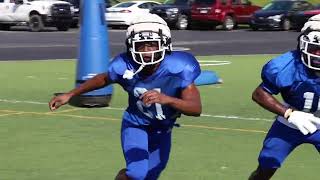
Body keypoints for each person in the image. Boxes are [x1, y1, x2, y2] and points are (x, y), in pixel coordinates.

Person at [49, 14, 202, 180]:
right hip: (136, 124)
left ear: (165, 44)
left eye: (152, 45)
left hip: (163, 129)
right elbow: (103, 78)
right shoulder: (124, 65)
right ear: (131, 46)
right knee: (136, 173)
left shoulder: (179, 67)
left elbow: (195, 108)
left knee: (152, 174)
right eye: (141, 45)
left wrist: (168, 99)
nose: (146, 51)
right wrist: (70, 94)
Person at [249, 14, 320, 180]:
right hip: (290, 122)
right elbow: (259, 93)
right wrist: (290, 114)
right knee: (266, 167)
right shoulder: (286, 65)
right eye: (316, 48)